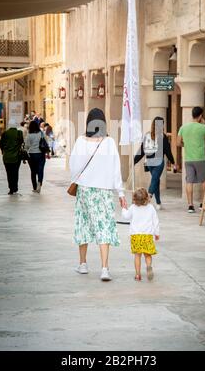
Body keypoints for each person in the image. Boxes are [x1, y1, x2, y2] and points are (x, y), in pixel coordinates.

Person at [69, 108, 127, 282]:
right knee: (104, 226)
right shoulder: (109, 142)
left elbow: (73, 166)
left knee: (83, 223)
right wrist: (121, 193)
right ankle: (104, 269)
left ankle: (83, 264)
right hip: (104, 191)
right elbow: (116, 169)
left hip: (85, 190)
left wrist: (80, 178)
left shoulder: (80, 141)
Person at [134, 116, 176, 210]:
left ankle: (158, 203)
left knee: (156, 180)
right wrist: (173, 162)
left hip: (149, 162)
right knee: (154, 180)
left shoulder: (147, 135)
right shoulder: (162, 136)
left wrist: (134, 160)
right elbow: (167, 151)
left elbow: (142, 150)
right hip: (158, 162)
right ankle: (147, 200)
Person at [177, 106, 205, 213]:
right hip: (200, 158)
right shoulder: (203, 127)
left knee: (189, 181)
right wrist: (204, 124)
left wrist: (186, 145)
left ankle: (190, 206)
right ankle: (203, 204)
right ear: (201, 116)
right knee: (204, 180)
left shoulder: (183, 127)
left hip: (188, 159)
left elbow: (178, 143)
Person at [122, 188, 159, 281]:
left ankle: (138, 275)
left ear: (134, 199)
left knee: (137, 256)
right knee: (147, 255)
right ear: (147, 198)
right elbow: (156, 221)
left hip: (136, 236)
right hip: (147, 236)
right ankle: (149, 266)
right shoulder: (151, 208)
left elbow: (126, 216)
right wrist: (157, 233)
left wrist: (123, 208)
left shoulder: (133, 208)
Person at [0, 119, 24, 195]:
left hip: (7, 157)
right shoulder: (19, 133)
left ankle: (11, 188)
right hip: (16, 157)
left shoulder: (5, 133)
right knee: (15, 172)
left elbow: (1, 144)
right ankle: (15, 187)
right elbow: (21, 142)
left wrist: (3, 151)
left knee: (9, 173)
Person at [25, 120, 49, 194]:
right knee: (40, 170)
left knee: (33, 171)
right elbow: (46, 142)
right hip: (41, 154)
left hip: (31, 155)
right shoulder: (41, 133)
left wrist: (27, 150)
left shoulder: (29, 135)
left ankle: (34, 187)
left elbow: (27, 146)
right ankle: (39, 183)